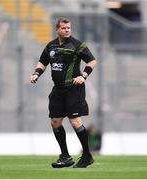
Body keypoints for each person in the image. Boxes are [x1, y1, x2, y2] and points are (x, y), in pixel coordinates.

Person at [30, 17, 97, 168]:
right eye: (64, 28)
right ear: (57, 29)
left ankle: (87, 155)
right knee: (55, 122)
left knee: (75, 122)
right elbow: (43, 61)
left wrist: (83, 76)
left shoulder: (77, 45)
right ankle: (65, 156)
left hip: (74, 88)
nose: (67, 30)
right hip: (58, 89)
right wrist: (36, 73)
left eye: (69, 28)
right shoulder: (51, 45)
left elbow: (92, 61)